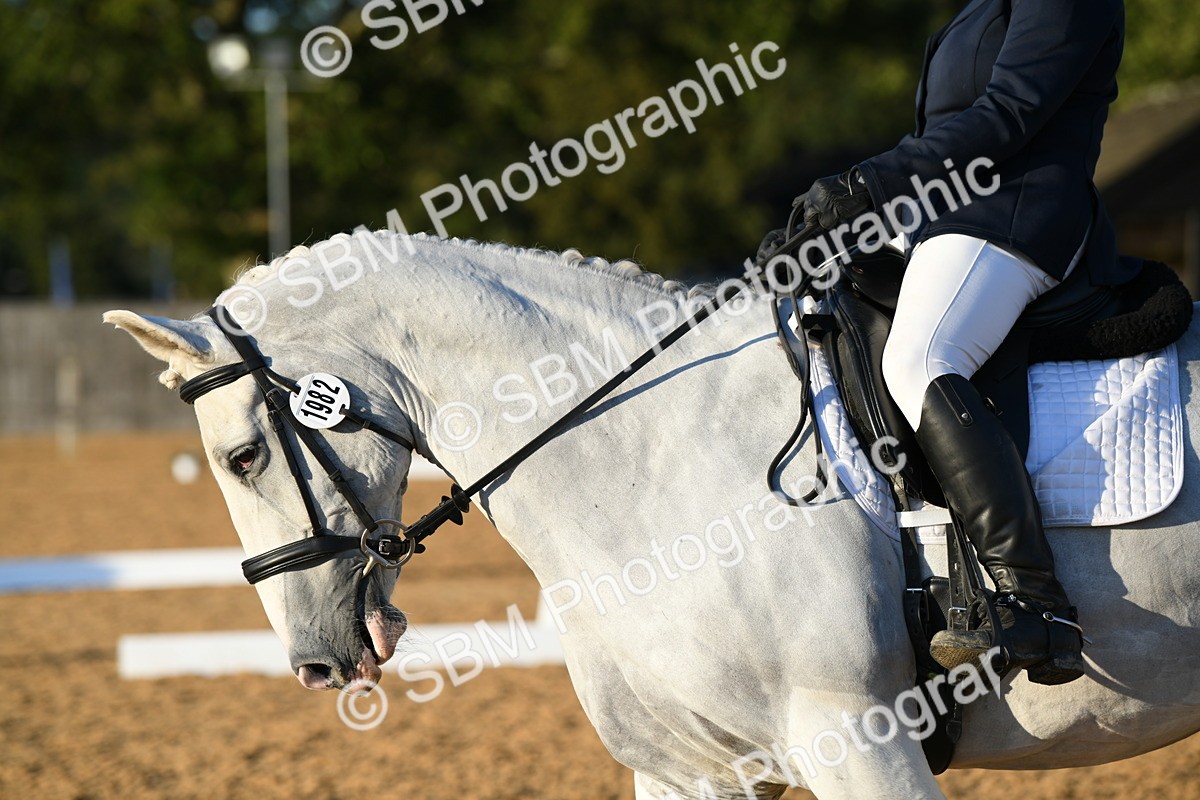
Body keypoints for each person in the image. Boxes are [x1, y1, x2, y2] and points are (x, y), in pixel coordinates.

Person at [770, 0, 1132, 685]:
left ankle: (1033, 600)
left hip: (1017, 216)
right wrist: (845, 217)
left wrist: (869, 183)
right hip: (946, 220)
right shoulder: (972, 11)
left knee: (921, 359)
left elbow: (1009, 114)